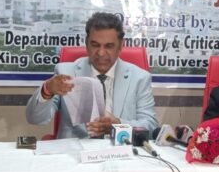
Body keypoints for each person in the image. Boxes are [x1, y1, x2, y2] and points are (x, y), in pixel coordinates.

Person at [26, 12, 158, 138]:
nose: (101, 53)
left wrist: (117, 125)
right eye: (95, 45)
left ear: (120, 46)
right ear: (87, 44)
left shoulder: (139, 78)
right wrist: (47, 89)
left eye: (109, 46)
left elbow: (150, 126)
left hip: (121, 149)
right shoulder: (65, 73)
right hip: (76, 150)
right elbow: (35, 119)